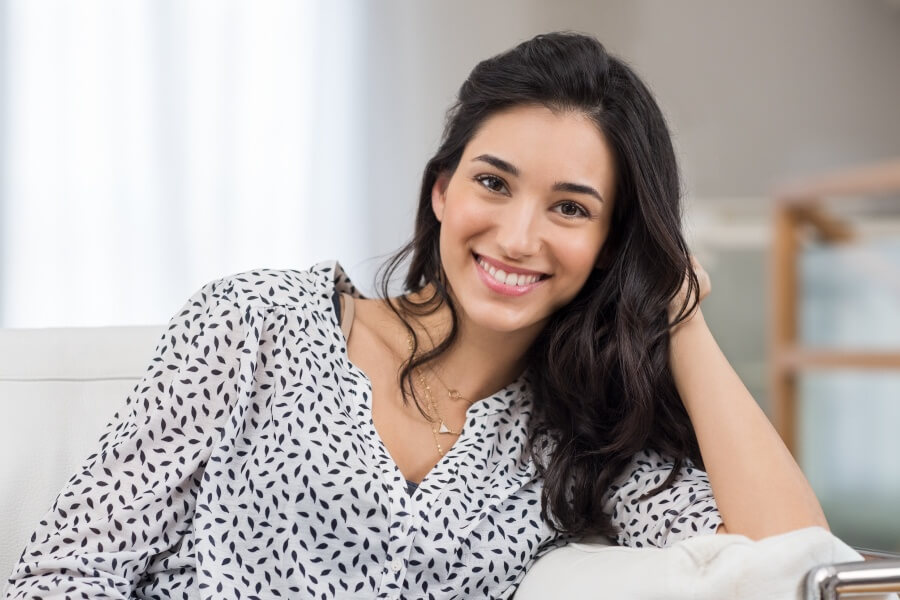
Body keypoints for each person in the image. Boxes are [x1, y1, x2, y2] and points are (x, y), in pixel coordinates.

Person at [5, 31, 828, 599]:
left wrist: (677, 311)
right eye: (493, 183)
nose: (516, 236)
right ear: (442, 190)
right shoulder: (256, 322)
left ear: (614, 246)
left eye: (571, 209)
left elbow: (796, 568)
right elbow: (65, 575)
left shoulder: (584, 440)